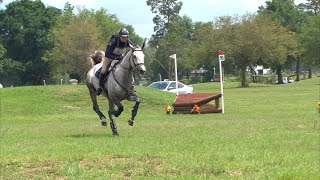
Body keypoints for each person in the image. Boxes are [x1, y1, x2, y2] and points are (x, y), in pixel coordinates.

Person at [96, 28, 134, 96]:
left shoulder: (128, 42)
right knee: (104, 70)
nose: (124, 38)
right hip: (109, 57)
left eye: (126, 37)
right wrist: (115, 57)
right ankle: (100, 86)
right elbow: (107, 53)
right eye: (122, 37)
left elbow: (133, 48)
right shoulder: (113, 41)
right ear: (119, 36)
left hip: (119, 58)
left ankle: (130, 87)